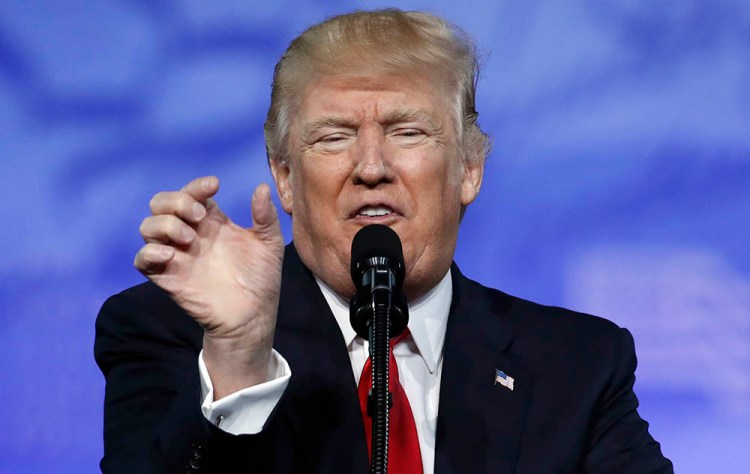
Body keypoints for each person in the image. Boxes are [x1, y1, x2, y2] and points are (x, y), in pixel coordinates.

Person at [95, 9, 673, 474]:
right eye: (334, 136)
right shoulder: (171, 334)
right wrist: (241, 358)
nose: (371, 166)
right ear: (286, 178)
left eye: (407, 132)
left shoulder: (577, 364)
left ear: (469, 169)